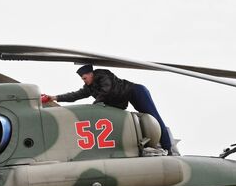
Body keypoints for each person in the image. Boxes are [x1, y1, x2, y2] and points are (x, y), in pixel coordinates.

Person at [42, 64, 173, 153]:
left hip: (135, 92)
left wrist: (95, 105)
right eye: (82, 79)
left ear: (91, 74)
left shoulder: (103, 75)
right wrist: (54, 97)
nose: (84, 81)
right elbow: (76, 95)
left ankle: (169, 149)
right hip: (124, 99)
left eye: (85, 78)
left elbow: (107, 90)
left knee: (154, 119)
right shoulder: (90, 86)